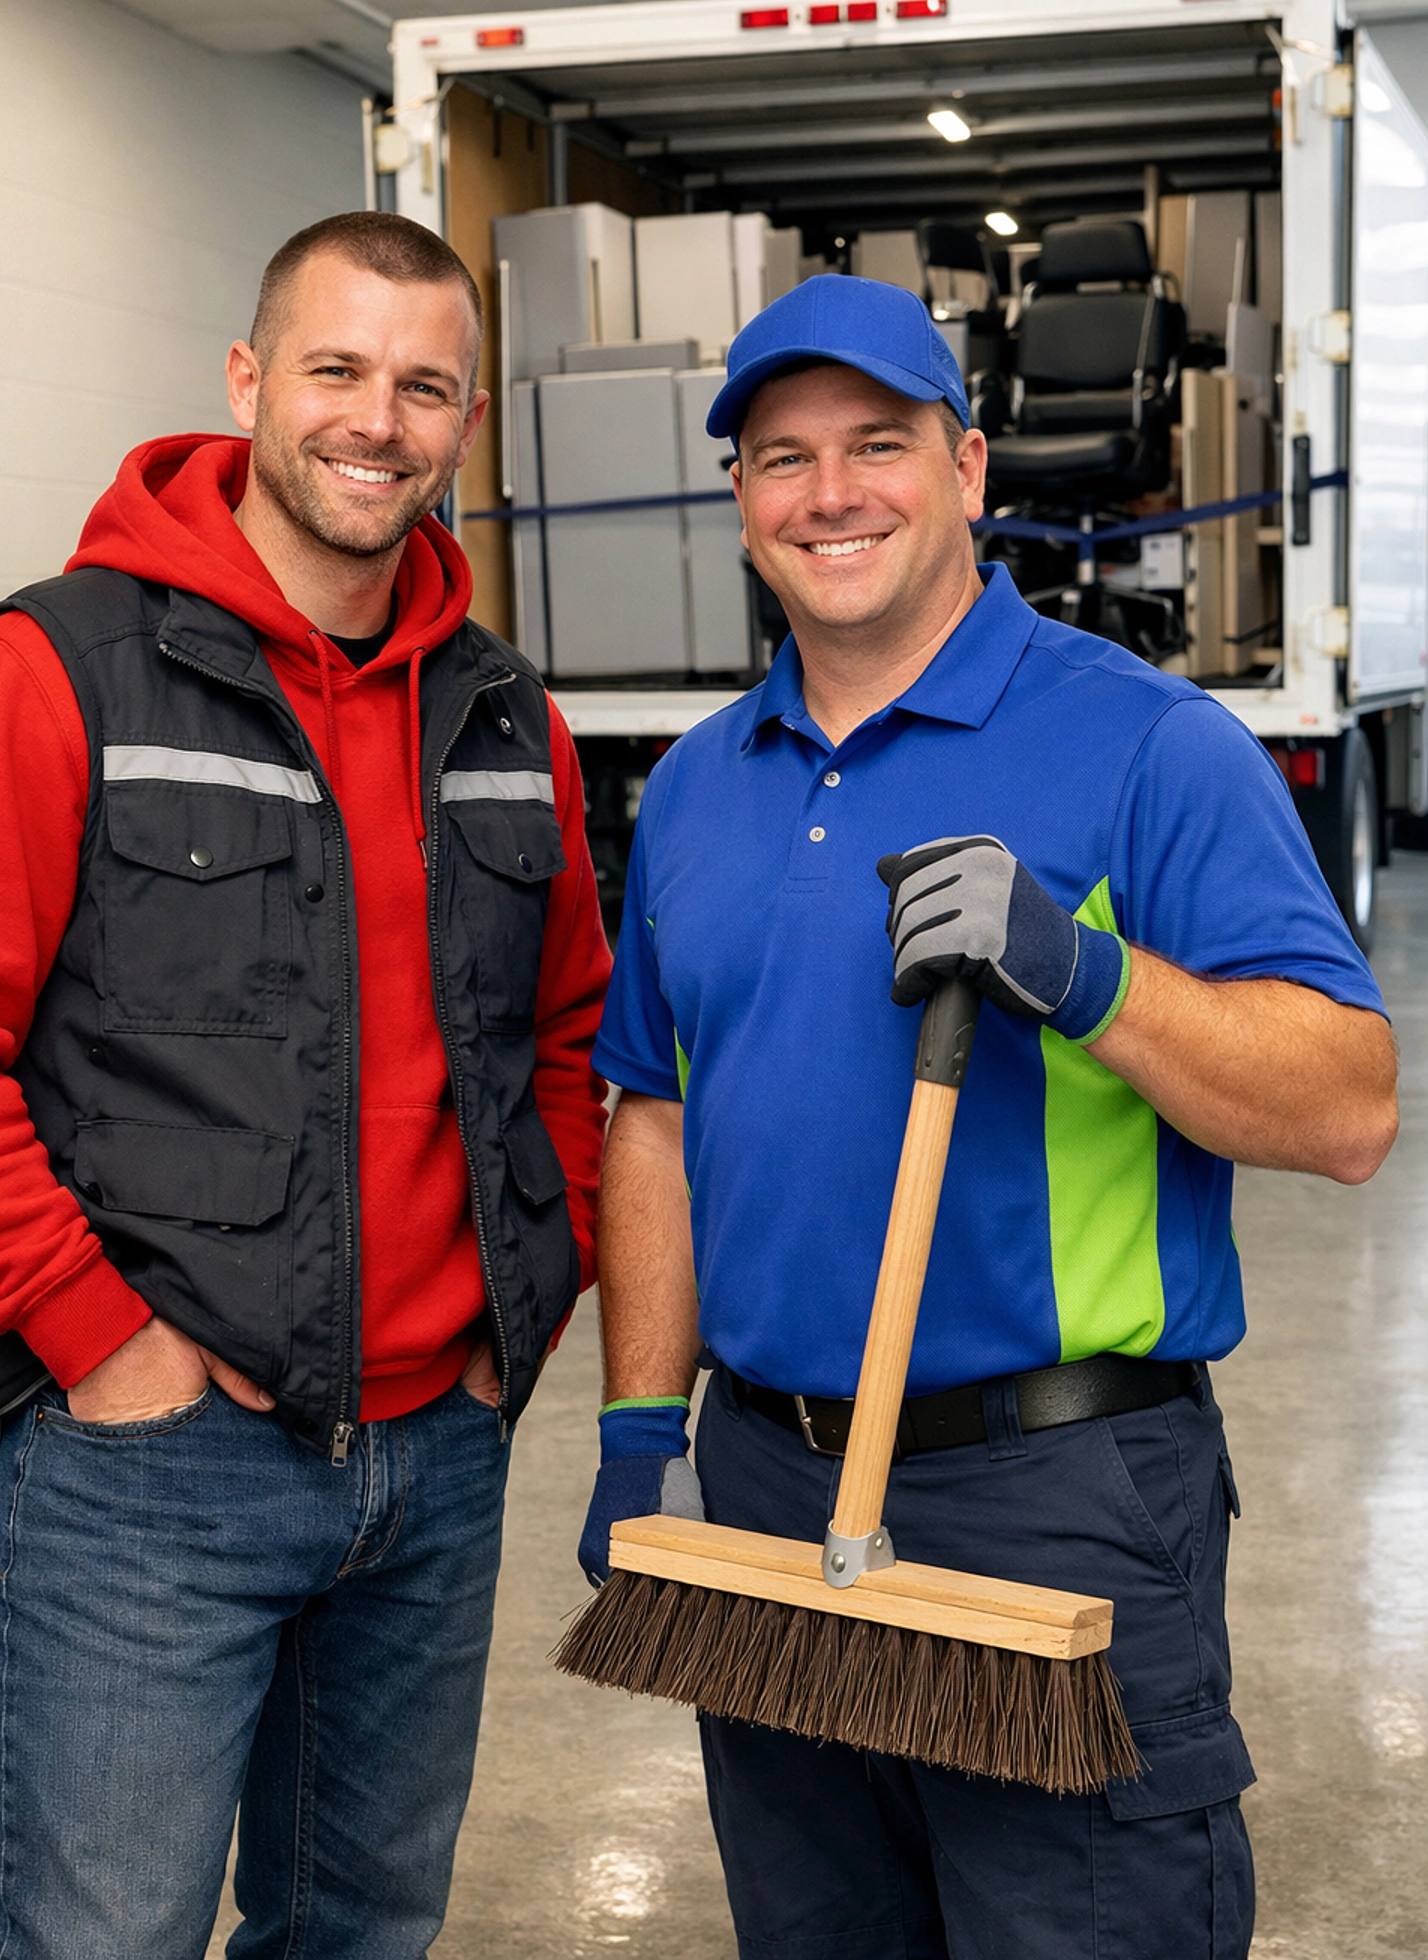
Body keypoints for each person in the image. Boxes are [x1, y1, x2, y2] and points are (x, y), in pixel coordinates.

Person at [580, 273, 1397, 1960]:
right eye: (783, 456)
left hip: (1061, 1491)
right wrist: (643, 1429)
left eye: (877, 442)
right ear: (740, 500)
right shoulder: (698, 788)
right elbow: (651, 1114)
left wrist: (1082, 972)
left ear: (965, 469)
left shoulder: (1149, 746)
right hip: (765, 1489)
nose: (831, 493)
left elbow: (1348, 1104)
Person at [0, 211, 610, 1960]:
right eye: (338, 369)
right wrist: (94, 1340)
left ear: (465, 425)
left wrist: (526, 1296)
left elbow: (571, 1037)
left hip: (437, 1452)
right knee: (101, 1938)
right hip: (154, 1468)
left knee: (363, 1926)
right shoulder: (50, 670)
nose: (378, 420)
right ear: (247, 382)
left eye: (425, 386)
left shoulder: (509, 715)